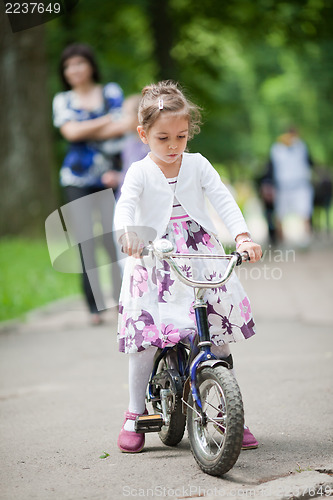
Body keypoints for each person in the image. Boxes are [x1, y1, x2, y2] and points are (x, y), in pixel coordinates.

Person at [114, 80, 262, 454]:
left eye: (181, 136)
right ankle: (134, 412)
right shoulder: (139, 172)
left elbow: (223, 199)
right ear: (143, 134)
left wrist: (242, 236)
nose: (173, 146)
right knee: (147, 341)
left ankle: (229, 413)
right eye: (163, 138)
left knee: (217, 336)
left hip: (200, 256)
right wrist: (127, 234)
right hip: (153, 258)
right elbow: (125, 206)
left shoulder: (197, 165)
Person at [52, 43, 132, 325]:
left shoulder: (110, 91)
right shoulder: (62, 99)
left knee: (115, 241)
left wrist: (87, 127)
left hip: (110, 176)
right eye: (68, 65)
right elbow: (70, 132)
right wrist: (105, 120)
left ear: (90, 65)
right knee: (85, 241)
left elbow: (122, 127)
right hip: (76, 178)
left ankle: (124, 301)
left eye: (79, 63)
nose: (74, 69)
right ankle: (94, 307)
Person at [268, 128, 314, 244]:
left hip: (300, 185)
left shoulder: (301, 147)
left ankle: (306, 239)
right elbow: (271, 168)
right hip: (283, 186)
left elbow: (310, 163)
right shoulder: (277, 149)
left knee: (305, 213)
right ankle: (281, 240)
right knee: (279, 214)